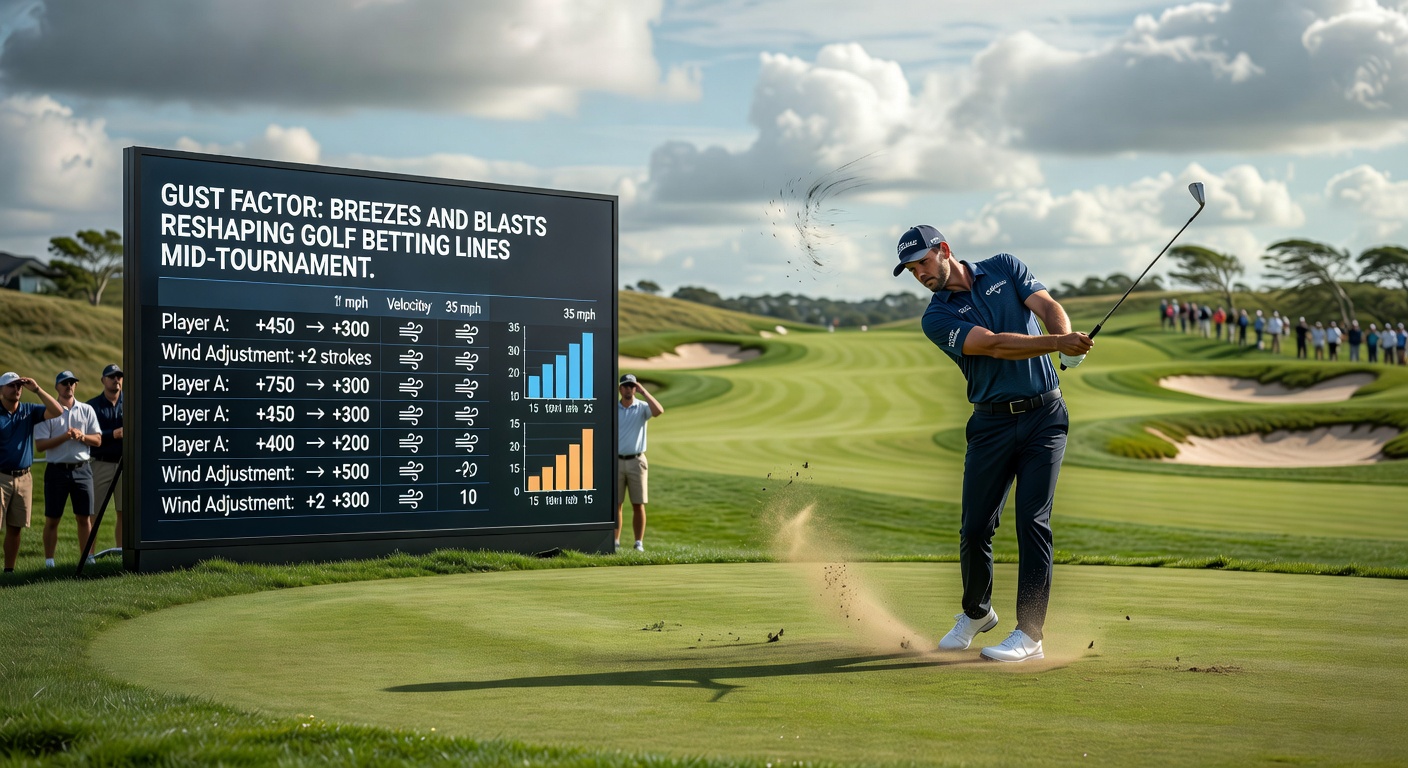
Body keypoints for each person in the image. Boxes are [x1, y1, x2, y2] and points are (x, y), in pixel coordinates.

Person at [892, 225, 1092, 663]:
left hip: (1045, 418)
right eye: (911, 270)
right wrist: (1059, 342)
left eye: (923, 262)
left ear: (944, 251)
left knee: (1032, 521)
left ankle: (1030, 635)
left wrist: (1068, 347)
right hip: (990, 426)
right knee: (975, 528)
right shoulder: (936, 317)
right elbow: (996, 346)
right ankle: (978, 612)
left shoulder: (1005, 266)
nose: (919, 274)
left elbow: (1048, 307)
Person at [35, 370, 102, 567]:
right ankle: (49, 561)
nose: (69, 386)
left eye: (72, 383)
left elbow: (97, 439)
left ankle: (86, 558)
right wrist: (65, 436)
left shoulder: (86, 410)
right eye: (64, 383)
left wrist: (82, 436)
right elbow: (40, 445)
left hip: (82, 469)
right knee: (53, 519)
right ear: (57, 387)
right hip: (56, 470)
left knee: (84, 517)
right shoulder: (46, 411)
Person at [0, 372, 63, 572]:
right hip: (0, 478)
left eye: (19, 385)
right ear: (1, 390)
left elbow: (58, 411)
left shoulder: (28, 410)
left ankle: (8, 572)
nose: (17, 389)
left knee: (15, 528)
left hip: (24, 478)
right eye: (11, 386)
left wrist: (36, 389)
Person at [616, 373, 663, 552]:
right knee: (616, 504)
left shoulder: (642, 407)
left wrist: (644, 392)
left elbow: (659, 411)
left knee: (638, 503)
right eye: (626, 386)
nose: (629, 389)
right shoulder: (614, 408)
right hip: (617, 460)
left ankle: (638, 543)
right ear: (620, 389)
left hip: (637, 460)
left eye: (632, 386)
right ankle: (615, 542)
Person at [86, 364, 123, 552]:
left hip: (126, 465)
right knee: (94, 513)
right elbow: (90, 436)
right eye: (111, 376)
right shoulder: (92, 406)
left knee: (124, 512)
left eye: (119, 376)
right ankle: (90, 556)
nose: (116, 380)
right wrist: (112, 434)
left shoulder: (131, 402)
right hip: (100, 464)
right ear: (103, 380)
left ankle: (122, 551)